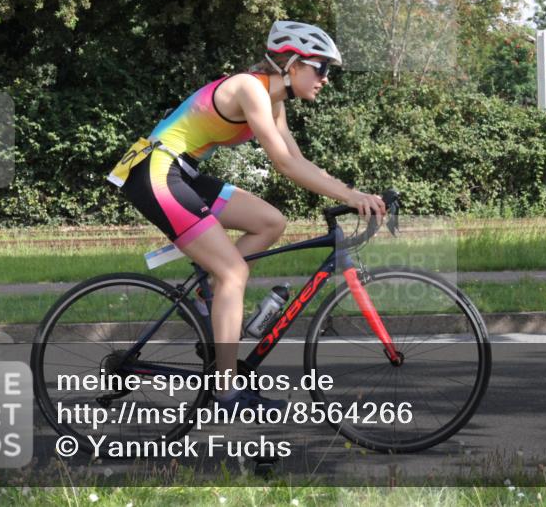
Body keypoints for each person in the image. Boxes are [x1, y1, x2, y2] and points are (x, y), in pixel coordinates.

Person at [109, 21, 386, 414]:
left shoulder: (273, 102)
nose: (325, 79)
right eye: (320, 68)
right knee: (234, 272)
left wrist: (353, 192)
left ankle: (211, 295)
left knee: (271, 221)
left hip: (181, 172)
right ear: (292, 64)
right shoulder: (248, 88)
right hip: (156, 171)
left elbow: (299, 159)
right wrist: (352, 196)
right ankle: (226, 394)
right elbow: (285, 164)